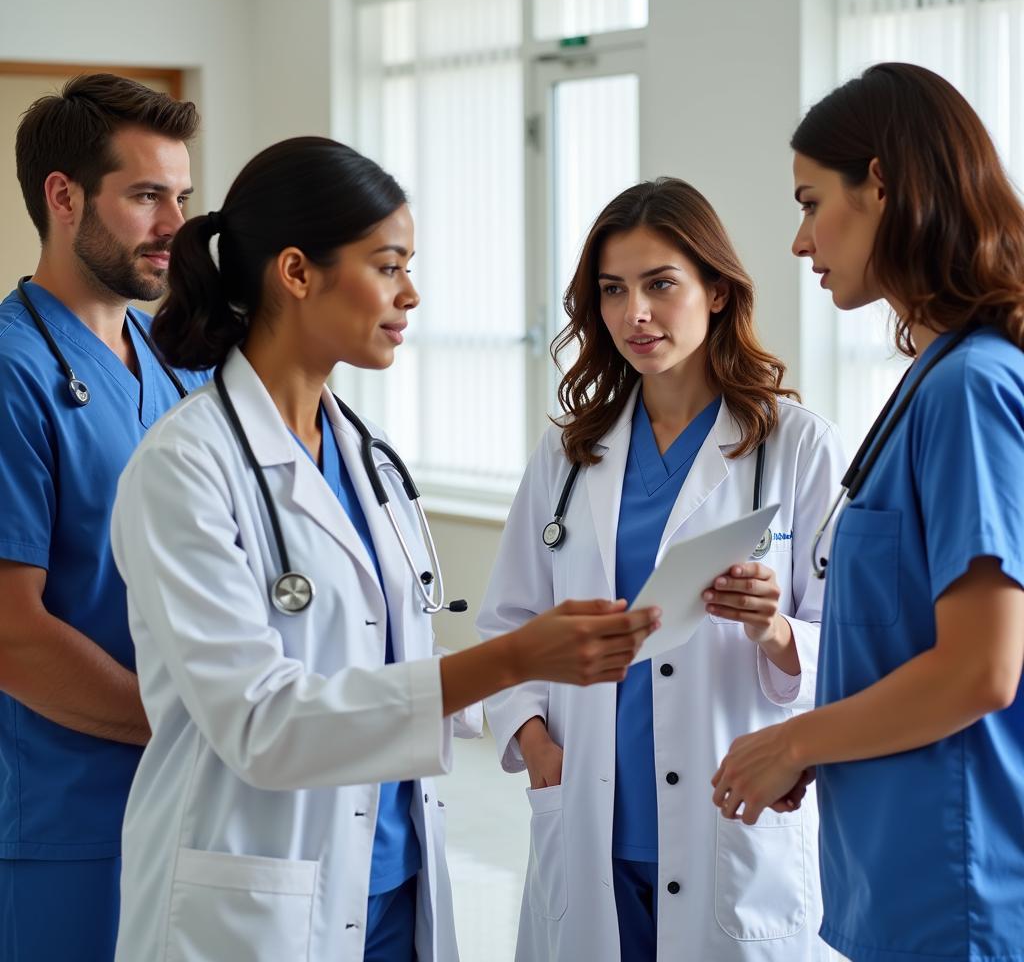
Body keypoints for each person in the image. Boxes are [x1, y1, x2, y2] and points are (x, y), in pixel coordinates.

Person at [108, 136, 660, 962]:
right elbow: (262, 723)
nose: (411, 294)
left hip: (394, 888)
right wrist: (513, 661)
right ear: (296, 273)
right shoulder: (184, 468)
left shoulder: (367, 456)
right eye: (389, 265)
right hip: (262, 896)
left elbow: (385, 650)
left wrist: (539, 690)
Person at [475, 178, 844, 961]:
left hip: (732, 824)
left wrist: (774, 629)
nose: (634, 314)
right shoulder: (572, 453)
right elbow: (508, 623)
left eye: (659, 285)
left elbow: (848, 647)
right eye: (613, 291)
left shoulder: (796, 446)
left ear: (716, 291)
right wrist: (539, 749)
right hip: (588, 820)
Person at [712, 62, 1024, 962]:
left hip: (960, 893)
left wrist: (794, 740)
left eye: (813, 203)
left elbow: (981, 671)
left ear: (880, 183)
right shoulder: (932, 382)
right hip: (906, 877)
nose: (802, 241)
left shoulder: (970, 388)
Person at [0, 74, 206, 962]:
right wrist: (209, 730)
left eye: (182, 198)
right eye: (146, 196)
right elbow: (12, 634)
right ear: (64, 197)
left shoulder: (180, 366)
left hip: (190, 803)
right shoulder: (13, 374)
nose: (175, 226)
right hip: (66, 822)